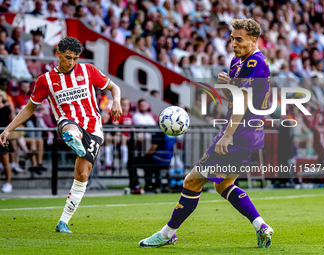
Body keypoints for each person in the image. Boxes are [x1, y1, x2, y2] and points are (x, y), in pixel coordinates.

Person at [138, 19, 273, 249]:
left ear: (253, 39)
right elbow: (237, 97)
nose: (233, 43)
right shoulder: (237, 62)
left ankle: (167, 233)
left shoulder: (254, 62)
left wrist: (228, 135)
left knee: (192, 181)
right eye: (231, 38)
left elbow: (241, 103)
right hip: (248, 134)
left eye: (239, 39)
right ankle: (261, 226)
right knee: (224, 185)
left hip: (238, 133)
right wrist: (229, 85)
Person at [0, 37, 122, 233]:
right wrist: (8, 128)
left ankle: (63, 222)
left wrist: (116, 101)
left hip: (93, 127)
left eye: (75, 58)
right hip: (68, 122)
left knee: (82, 175)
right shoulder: (45, 80)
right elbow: (29, 108)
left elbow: (114, 87)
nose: (71, 62)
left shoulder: (88, 70)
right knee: (69, 127)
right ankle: (74, 138)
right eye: (67, 57)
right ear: (58, 54)